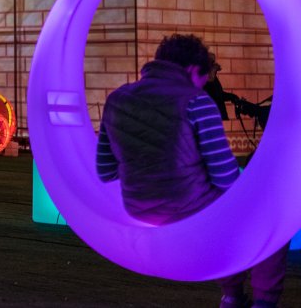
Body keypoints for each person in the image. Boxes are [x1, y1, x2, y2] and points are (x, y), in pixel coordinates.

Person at [96, 34, 285, 308]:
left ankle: (232, 296)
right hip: (189, 208)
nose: (203, 86)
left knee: (229, 215)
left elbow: (105, 171)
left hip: (138, 208)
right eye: (203, 79)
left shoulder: (116, 100)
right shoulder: (197, 102)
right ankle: (262, 301)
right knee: (272, 211)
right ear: (192, 70)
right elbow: (226, 178)